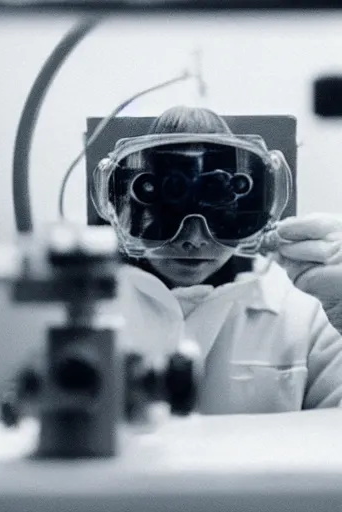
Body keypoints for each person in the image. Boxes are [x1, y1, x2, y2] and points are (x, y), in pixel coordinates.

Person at [93, 105, 342, 414]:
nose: (194, 239)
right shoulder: (88, 310)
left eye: (217, 208)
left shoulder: (306, 308)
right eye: (169, 210)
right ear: (125, 205)